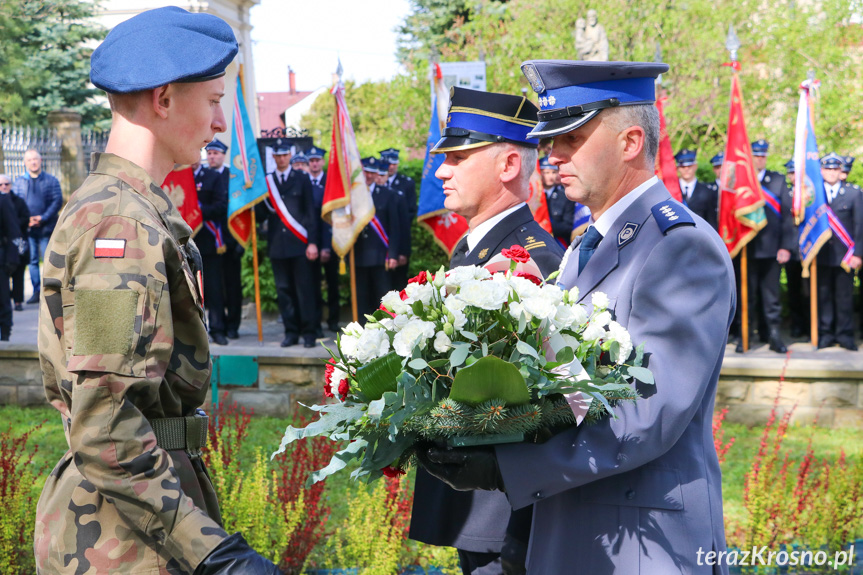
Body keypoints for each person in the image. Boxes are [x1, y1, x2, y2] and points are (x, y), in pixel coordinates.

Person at [419, 60, 735, 574]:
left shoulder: (680, 247)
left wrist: (506, 465)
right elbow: (568, 385)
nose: (554, 154)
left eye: (572, 138)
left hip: (643, 543)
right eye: (551, 140)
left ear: (630, 142)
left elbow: (647, 414)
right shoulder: (584, 248)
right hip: (573, 527)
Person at [33, 7, 280, 573]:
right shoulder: (120, 222)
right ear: (164, 99)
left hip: (135, 517)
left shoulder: (132, 208)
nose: (221, 123)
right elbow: (104, 425)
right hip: (120, 538)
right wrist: (215, 553)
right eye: (214, 100)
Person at [410, 86, 564, 575]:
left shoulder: (529, 262)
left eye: (458, 157)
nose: (441, 171)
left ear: (509, 165)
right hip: (478, 505)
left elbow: (544, 407)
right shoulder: (474, 250)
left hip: (505, 517)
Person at [257, 142, 319, 348]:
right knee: (284, 291)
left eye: (284, 155)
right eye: (278, 155)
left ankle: (309, 333)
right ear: (273, 157)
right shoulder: (267, 182)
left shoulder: (302, 178)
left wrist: (313, 242)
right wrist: (251, 196)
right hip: (278, 245)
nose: (281, 158)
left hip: (300, 245)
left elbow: (311, 213)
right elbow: (261, 215)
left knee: (305, 290)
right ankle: (291, 332)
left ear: (289, 156)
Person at [735, 139, 790, 354]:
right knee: (746, 297)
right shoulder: (741, 182)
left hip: (771, 250)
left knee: (771, 297)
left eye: (762, 156)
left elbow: (786, 217)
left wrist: (785, 246)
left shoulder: (777, 179)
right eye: (756, 155)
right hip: (746, 249)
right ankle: (745, 336)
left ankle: (774, 335)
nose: (759, 159)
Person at [816, 152, 862, 350]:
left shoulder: (853, 193)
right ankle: (826, 334)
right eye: (828, 169)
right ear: (821, 170)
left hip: (846, 256)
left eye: (835, 169)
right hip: (821, 255)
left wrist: (859, 253)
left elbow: (860, 225)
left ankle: (845, 335)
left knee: (844, 296)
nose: (832, 172)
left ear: (841, 171)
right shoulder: (814, 194)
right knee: (823, 296)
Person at [12, 148, 62, 304]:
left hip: (47, 227)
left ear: (40, 161)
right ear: (25, 163)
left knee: (49, 260)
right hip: (28, 230)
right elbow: (16, 204)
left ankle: (50, 291)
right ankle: (36, 290)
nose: (33, 162)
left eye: (35, 159)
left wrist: (43, 218)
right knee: (32, 260)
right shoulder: (19, 182)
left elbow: (57, 201)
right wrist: (27, 220)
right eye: (29, 160)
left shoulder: (51, 180)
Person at [353, 156, 400, 320]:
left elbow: (394, 227)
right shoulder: (352, 196)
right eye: (366, 171)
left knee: (382, 296)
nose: (369, 175)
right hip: (358, 255)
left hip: (381, 256)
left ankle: (385, 328)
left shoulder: (387, 195)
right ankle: (361, 330)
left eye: (373, 172)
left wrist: (393, 254)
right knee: (361, 296)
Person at [196, 139, 230, 346]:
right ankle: (196, 332)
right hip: (185, 243)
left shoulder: (211, 176)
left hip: (209, 241)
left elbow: (220, 206)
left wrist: (196, 212)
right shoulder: (178, 178)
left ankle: (218, 329)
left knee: (214, 288)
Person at [307, 145, 340, 333]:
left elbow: (332, 217)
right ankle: (317, 322)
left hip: (330, 241)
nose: (314, 164)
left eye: (317, 160)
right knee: (313, 286)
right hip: (311, 244)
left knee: (332, 284)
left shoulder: (330, 182)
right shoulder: (304, 182)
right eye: (311, 161)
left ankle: (333, 321)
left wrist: (327, 247)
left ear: (322, 162)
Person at [381, 148, 417, 289]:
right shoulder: (375, 184)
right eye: (387, 163)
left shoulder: (406, 183)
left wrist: (402, 250)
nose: (390, 167)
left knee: (399, 282)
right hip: (380, 244)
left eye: (393, 163)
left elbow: (408, 215)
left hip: (400, 238)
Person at [783, 158, 809, 339]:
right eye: (791, 173)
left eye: (796, 173)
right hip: (791, 251)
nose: (793, 176)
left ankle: (810, 326)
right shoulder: (785, 193)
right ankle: (797, 325)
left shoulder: (810, 194)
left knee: (809, 292)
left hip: (809, 250)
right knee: (793, 291)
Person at [1, 173, 30, 312]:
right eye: (0, 184)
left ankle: (18, 301)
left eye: (6, 184)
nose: (3, 187)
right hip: (3, 243)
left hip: (18, 241)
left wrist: (12, 225)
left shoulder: (18, 201)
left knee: (18, 272)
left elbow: (25, 217)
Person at [675, 148, 718, 231]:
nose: (686, 169)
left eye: (689, 166)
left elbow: (711, 221)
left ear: (695, 166)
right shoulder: (671, 191)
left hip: (700, 237)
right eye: (683, 166)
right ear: (678, 168)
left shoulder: (707, 191)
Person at [0, 175, 21, 339]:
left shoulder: (3, 201)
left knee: (3, 299)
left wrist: (12, 259)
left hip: (2, 258)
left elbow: (14, 231)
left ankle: (5, 335)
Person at [540, 155, 575, 249]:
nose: (551, 176)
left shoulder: (564, 196)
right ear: (540, 173)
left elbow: (568, 226)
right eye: (547, 172)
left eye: (554, 172)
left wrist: (546, 225)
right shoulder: (533, 197)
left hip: (557, 245)